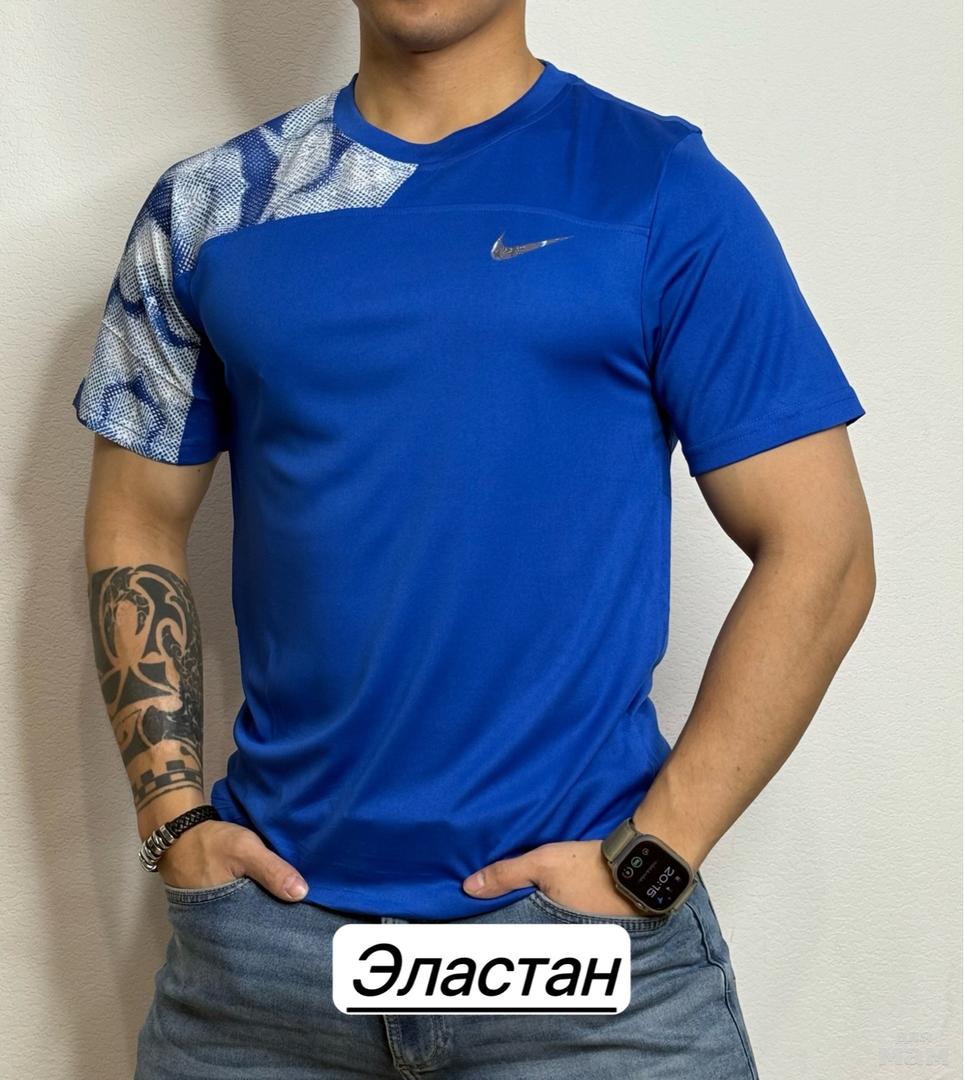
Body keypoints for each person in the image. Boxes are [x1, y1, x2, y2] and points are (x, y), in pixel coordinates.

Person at [73, 1, 875, 1076]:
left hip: (589, 976)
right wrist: (173, 822)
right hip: (265, 975)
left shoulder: (659, 188)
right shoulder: (210, 208)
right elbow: (136, 516)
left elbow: (823, 549)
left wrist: (657, 854)